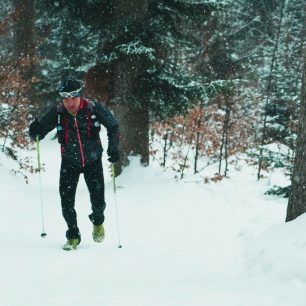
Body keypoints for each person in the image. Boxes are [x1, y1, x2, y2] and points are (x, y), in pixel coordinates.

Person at [29, 77, 120, 251]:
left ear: (79, 95)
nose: (69, 103)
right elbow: (40, 131)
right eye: (65, 98)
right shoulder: (57, 112)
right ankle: (73, 235)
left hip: (93, 161)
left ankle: (98, 220)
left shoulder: (93, 108)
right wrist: (34, 131)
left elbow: (113, 126)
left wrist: (114, 147)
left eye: (73, 98)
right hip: (69, 162)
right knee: (66, 202)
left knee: (99, 203)